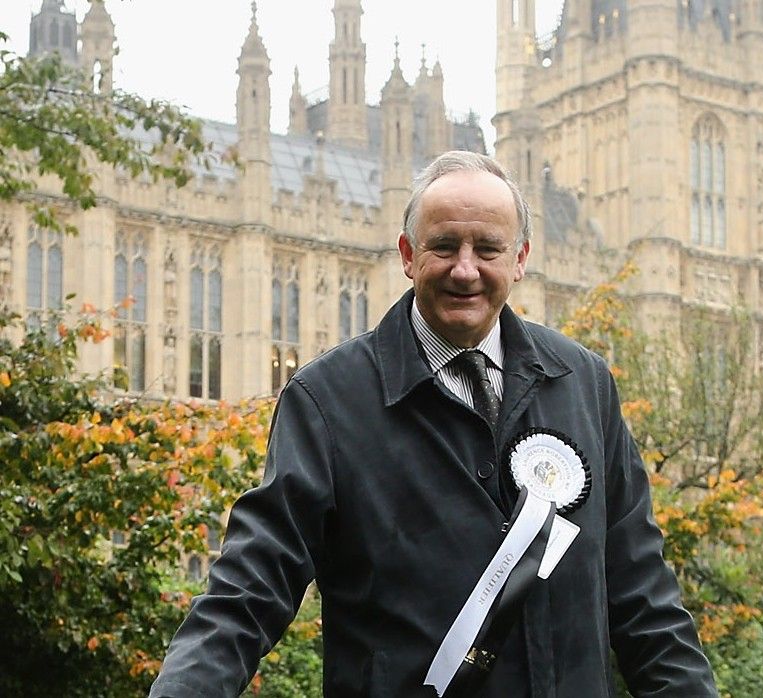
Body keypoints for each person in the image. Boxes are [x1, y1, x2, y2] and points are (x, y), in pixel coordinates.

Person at [149, 151, 718, 697]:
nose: (465, 270)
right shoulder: (328, 400)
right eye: (444, 246)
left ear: (520, 259)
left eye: (487, 249)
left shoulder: (584, 385)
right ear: (407, 254)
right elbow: (250, 586)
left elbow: (644, 598)